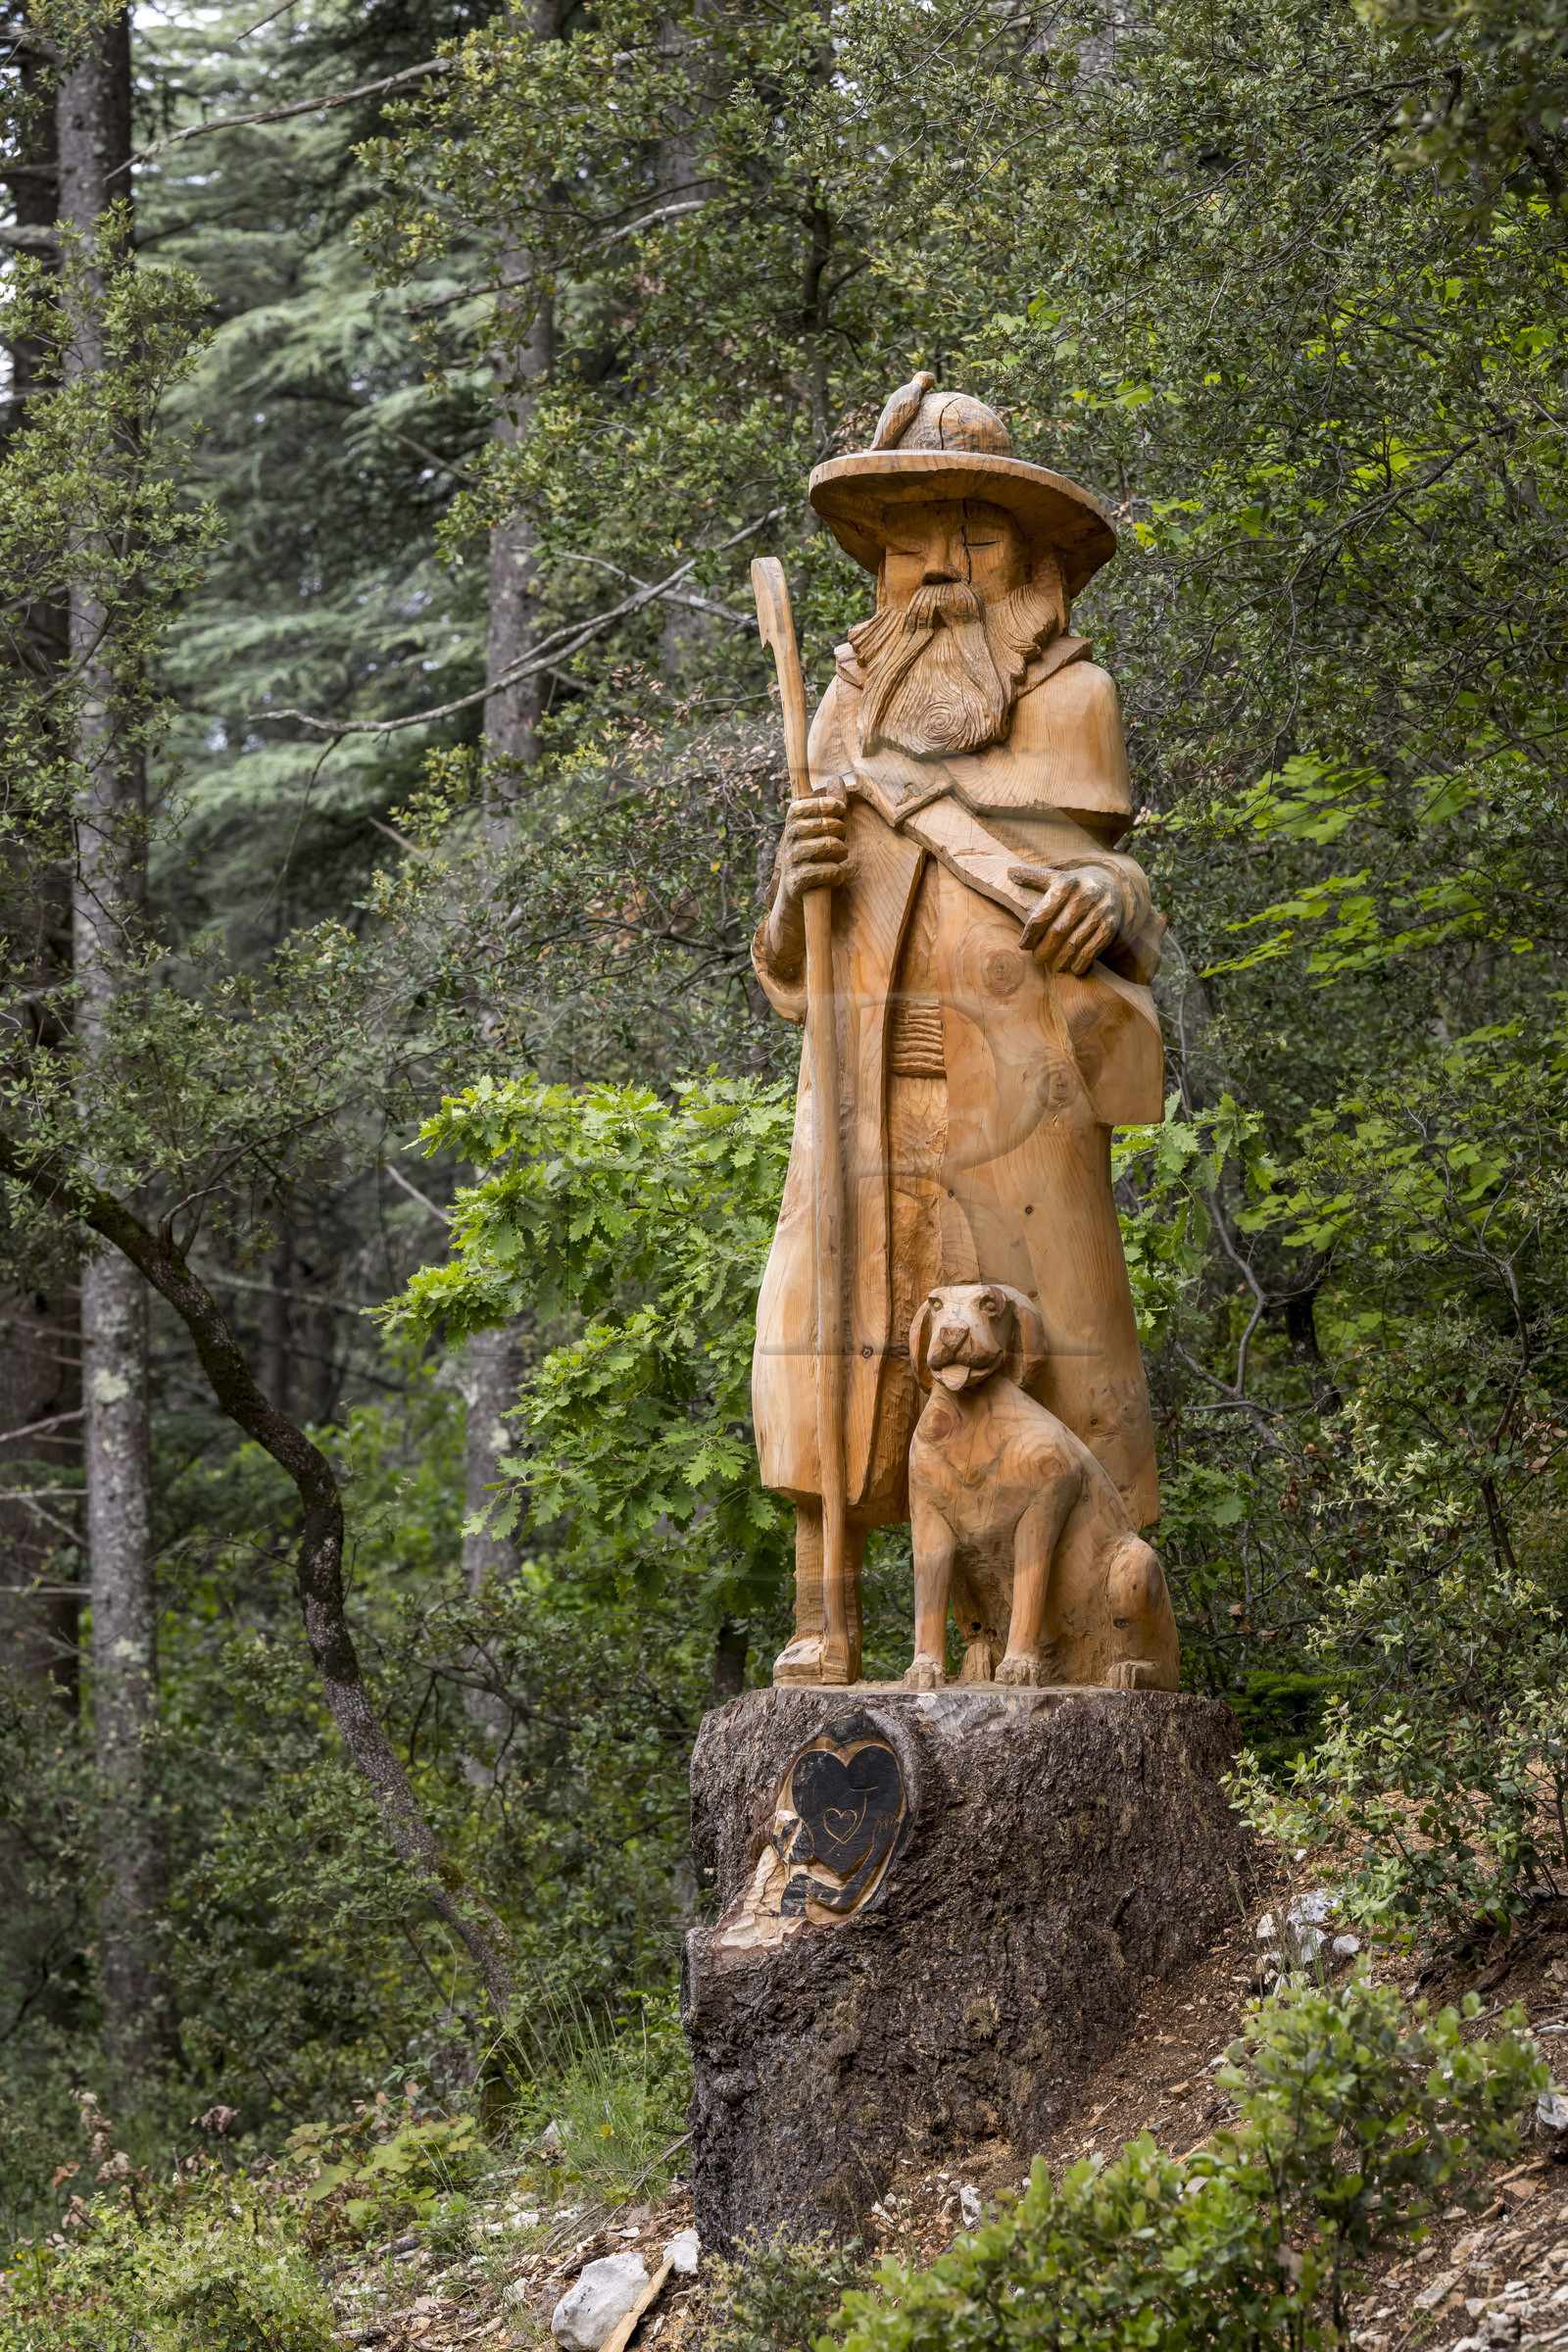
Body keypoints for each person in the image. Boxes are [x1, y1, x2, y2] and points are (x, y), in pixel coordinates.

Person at [750, 373, 1168, 1687]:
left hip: (1015, 1091)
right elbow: (787, 964)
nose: (938, 572)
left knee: (1042, 1326)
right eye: (911, 542)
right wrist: (792, 883)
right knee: (833, 1327)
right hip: (863, 1084)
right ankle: (831, 1609)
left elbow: (1116, 876)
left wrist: (1096, 901)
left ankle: (1045, 1626)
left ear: (1032, 560)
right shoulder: (838, 713)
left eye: (973, 539)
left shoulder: (1072, 700)